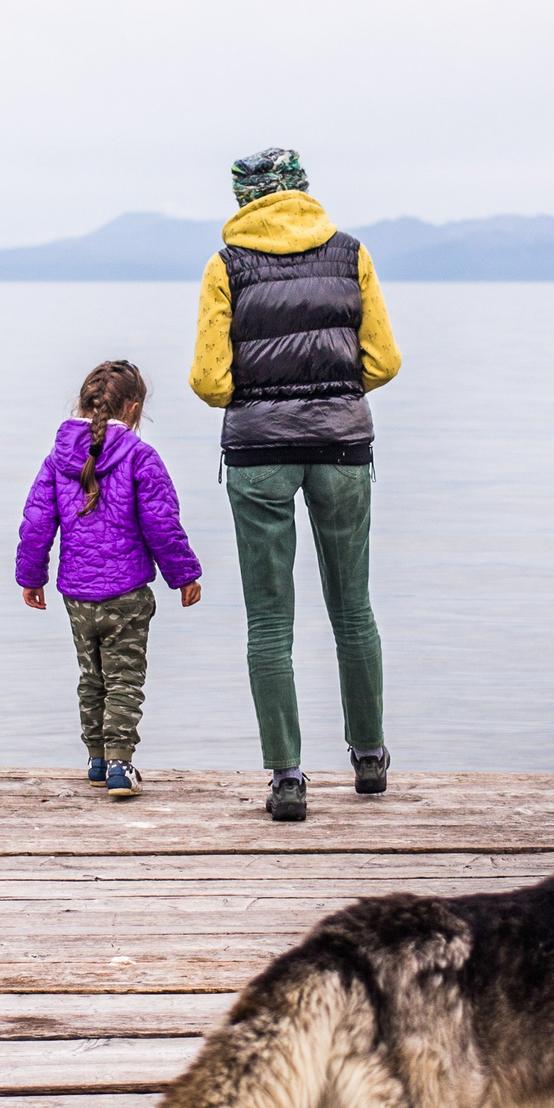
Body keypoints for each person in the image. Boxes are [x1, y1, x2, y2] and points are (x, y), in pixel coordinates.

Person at [190, 149, 401, 822]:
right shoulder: (351, 255)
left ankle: (287, 776)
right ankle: (368, 759)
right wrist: (334, 394)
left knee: (270, 619)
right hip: (342, 447)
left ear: (245, 199)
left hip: (258, 455)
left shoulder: (226, 266)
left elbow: (210, 380)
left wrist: (263, 397)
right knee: (353, 608)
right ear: (303, 191)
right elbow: (385, 361)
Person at [17, 360, 203, 797]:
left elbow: (36, 521)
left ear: (82, 404)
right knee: (124, 678)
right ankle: (121, 766)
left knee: (92, 677)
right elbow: (162, 524)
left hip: (76, 594)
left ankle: (97, 761)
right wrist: (184, 575)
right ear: (134, 408)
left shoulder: (56, 458)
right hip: (127, 592)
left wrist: (31, 576)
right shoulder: (141, 457)